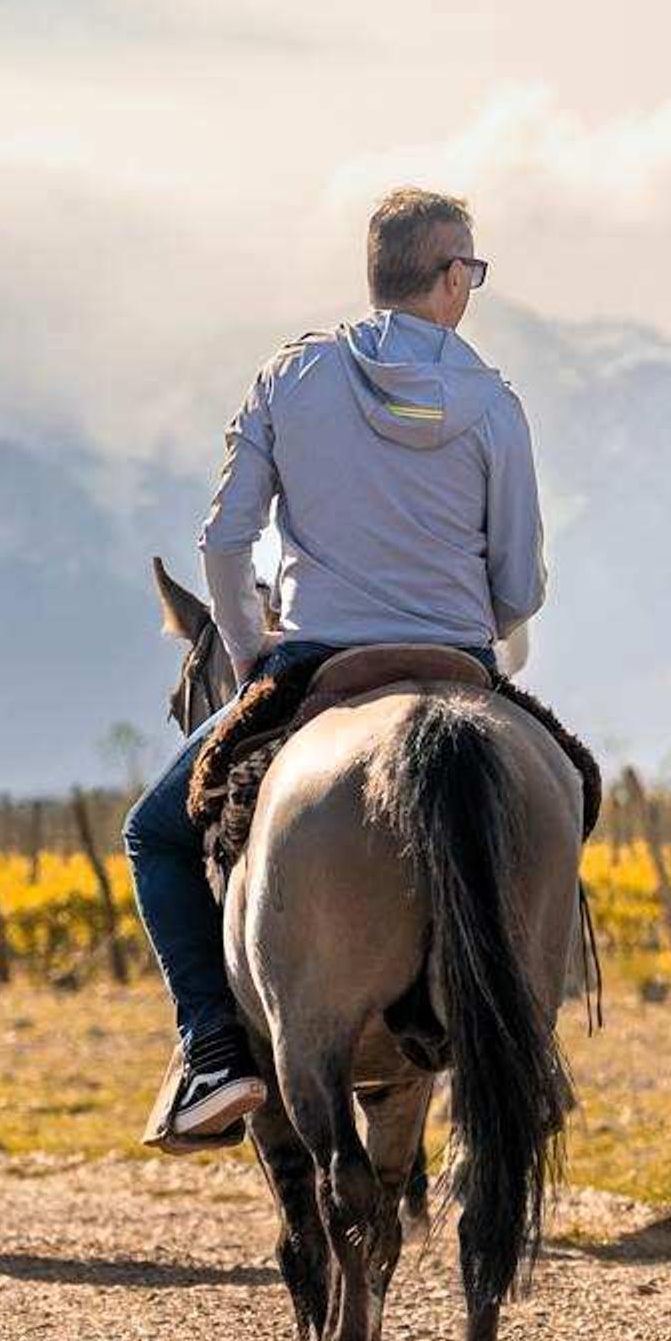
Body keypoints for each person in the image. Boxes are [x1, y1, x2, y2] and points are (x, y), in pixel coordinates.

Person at [127, 187, 548, 1144]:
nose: (471, 289)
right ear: (449, 279)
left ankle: (213, 1054)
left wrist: (249, 661)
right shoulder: (495, 404)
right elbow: (518, 583)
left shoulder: (292, 377)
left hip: (316, 659)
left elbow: (224, 544)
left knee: (153, 836)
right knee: (571, 793)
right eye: (471, 272)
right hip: (459, 656)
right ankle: (526, 1030)